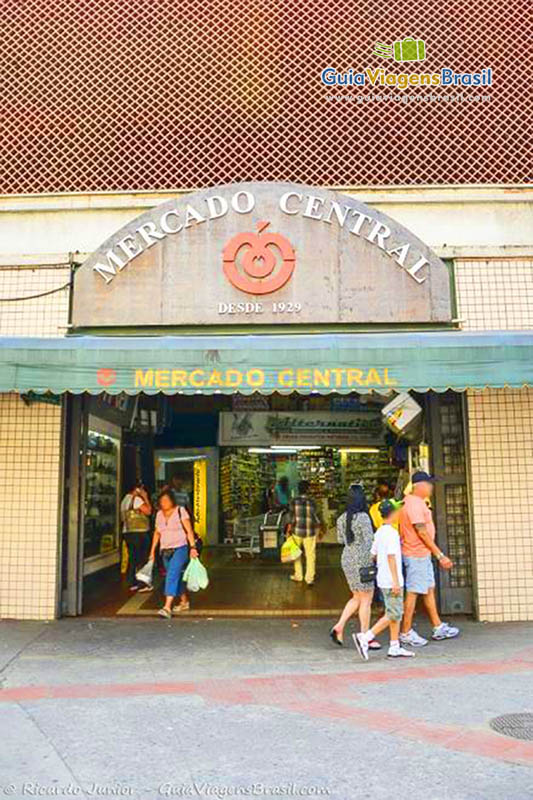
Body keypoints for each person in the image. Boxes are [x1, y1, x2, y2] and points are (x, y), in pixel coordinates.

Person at [399, 471, 459, 647]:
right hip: (416, 554)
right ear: (420, 486)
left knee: (428, 588)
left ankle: (438, 626)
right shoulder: (415, 504)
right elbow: (422, 532)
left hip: (420, 554)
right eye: (429, 484)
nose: (432, 487)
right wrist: (439, 555)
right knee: (413, 592)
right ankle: (405, 632)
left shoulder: (413, 502)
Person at [354, 499, 415, 660]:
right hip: (391, 580)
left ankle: (394, 646)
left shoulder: (380, 532)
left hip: (382, 578)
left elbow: (373, 555)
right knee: (394, 612)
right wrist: (396, 581)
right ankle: (365, 638)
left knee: (394, 612)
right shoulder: (392, 533)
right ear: (393, 513)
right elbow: (391, 557)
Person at [330, 484, 379, 649]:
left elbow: (340, 540)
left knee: (357, 597)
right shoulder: (363, 517)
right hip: (363, 559)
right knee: (366, 599)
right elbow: (370, 540)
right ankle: (365, 637)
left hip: (347, 558)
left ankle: (339, 626)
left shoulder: (341, 518)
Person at [149, 489, 199, 618]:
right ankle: (184, 601)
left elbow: (189, 530)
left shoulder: (180, 511)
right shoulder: (159, 514)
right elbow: (157, 533)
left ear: (172, 501)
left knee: (172, 574)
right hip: (165, 550)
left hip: (180, 548)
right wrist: (152, 551)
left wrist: (193, 547)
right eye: (162, 501)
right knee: (174, 576)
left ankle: (167, 607)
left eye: (167, 500)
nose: (164, 503)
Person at [286, 480, 323, 586]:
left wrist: (288, 529)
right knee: (310, 555)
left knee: (296, 554)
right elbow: (315, 517)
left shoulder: (293, 501)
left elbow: (290, 517)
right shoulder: (313, 502)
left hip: (296, 530)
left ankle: (298, 575)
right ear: (308, 489)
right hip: (309, 531)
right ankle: (309, 578)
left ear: (298, 489)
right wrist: (319, 528)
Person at [120, 483, 152, 592]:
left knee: (133, 557)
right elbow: (148, 511)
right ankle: (141, 583)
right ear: (137, 489)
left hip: (128, 532)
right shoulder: (137, 500)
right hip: (139, 532)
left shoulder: (124, 500)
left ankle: (132, 582)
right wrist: (146, 497)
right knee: (141, 558)